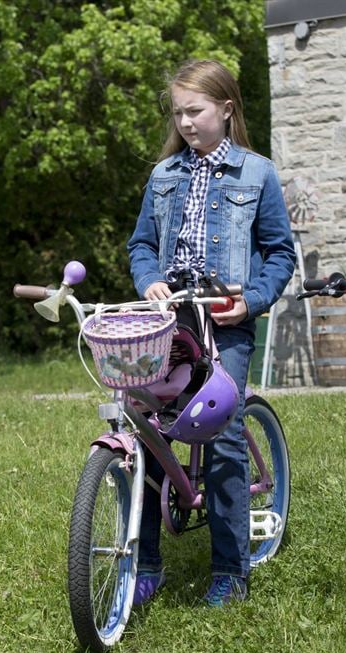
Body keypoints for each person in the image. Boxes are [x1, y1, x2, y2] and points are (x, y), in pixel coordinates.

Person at [126, 59, 295, 607]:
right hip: (169, 322)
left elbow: (279, 254)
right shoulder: (164, 175)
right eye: (178, 112)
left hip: (227, 323)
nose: (186, 121)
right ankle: (146, 563)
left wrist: (250, 300)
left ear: (225, 109)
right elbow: (142, 246)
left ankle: (230, 570)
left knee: (222, 438)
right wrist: (149, 280)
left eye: (195, 110)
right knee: (150, 433)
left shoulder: (257, 173)